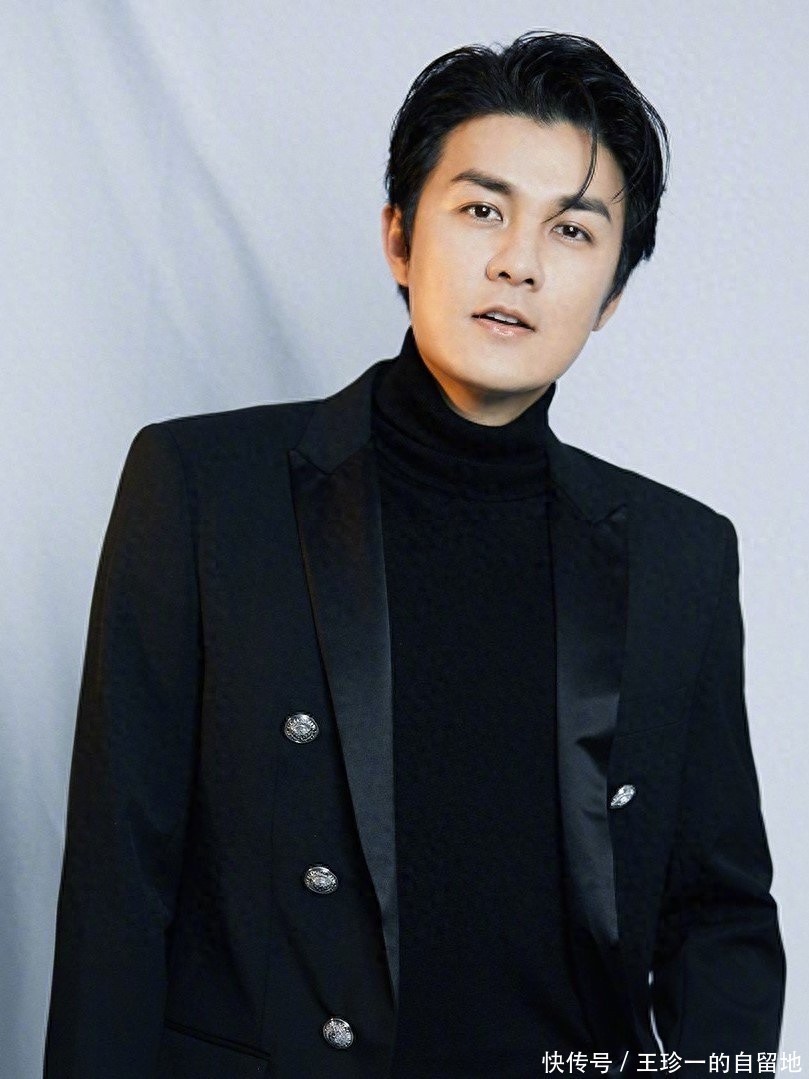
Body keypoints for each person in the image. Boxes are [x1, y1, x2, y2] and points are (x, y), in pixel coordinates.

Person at [44, 30, 785, 1079]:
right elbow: (117, 894)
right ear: (397, 236)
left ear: (612, 292)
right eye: (481, 210)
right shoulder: (206, 491)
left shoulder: (681, 555)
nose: (517, 262)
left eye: (572, 230)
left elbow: (718, 916)